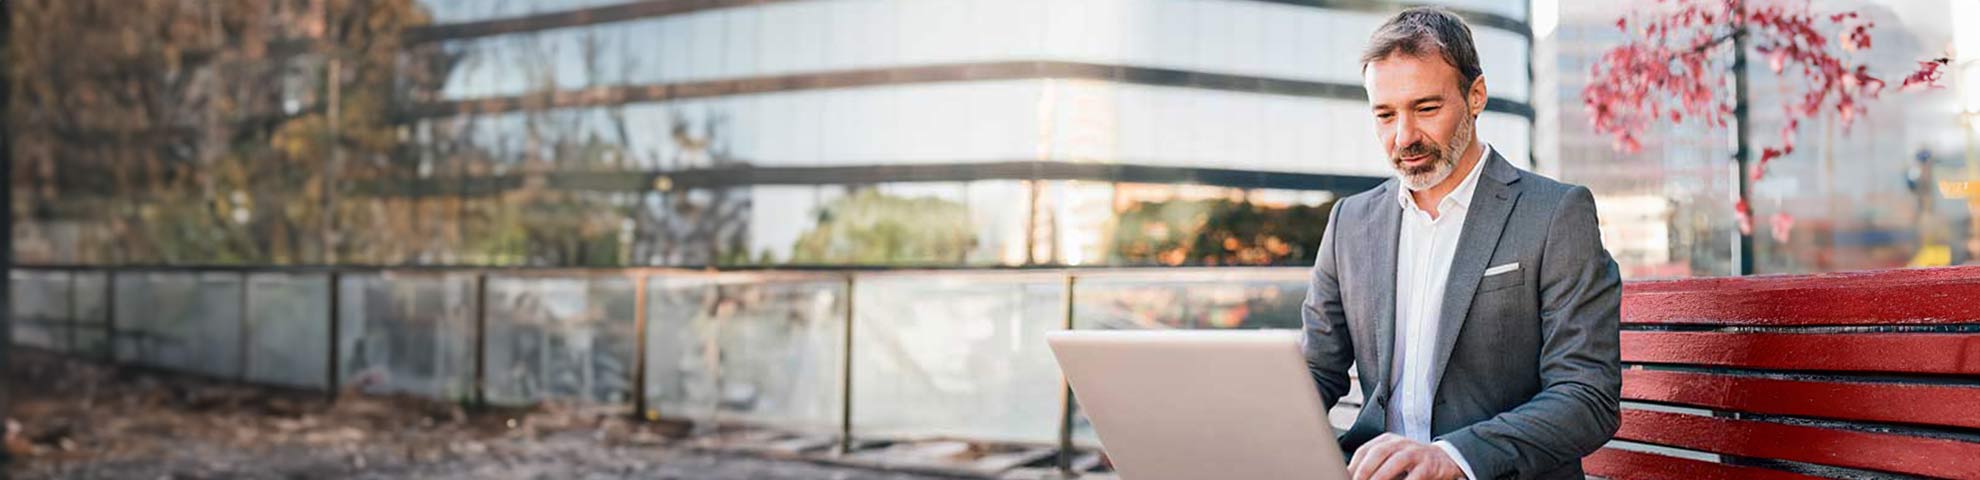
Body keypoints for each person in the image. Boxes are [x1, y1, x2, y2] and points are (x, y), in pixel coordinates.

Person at [1300, 7, 1623, 480]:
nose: (1404, 137)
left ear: (1476, 96)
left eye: (1426, 109)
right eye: (1385, 115)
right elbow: (1315, 370)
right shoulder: (1350, 221)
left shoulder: (1555, 213)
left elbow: (1587, 396)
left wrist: (1454, 456)